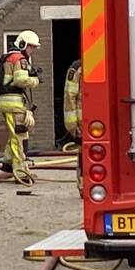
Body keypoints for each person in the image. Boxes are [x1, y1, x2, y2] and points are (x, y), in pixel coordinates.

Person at [0, 30, 42, 180]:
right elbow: (21, 81)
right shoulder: (19, 59)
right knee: (20, 136)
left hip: (7, 101)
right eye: (31, 47)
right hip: (13, 103)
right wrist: (35, 80)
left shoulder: (9, 57)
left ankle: (7, 165)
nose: (33, 50)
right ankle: (20, 172)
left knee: (14, 134)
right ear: (23, 44)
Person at [63, 58, 83, 196]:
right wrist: (72, 125)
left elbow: (69, 96)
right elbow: (70, 96)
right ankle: (84, 185)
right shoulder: (78, 68)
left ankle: (84, 186)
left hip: (87, 122)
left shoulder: (78, 67)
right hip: (85, 122)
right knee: (85, 155)